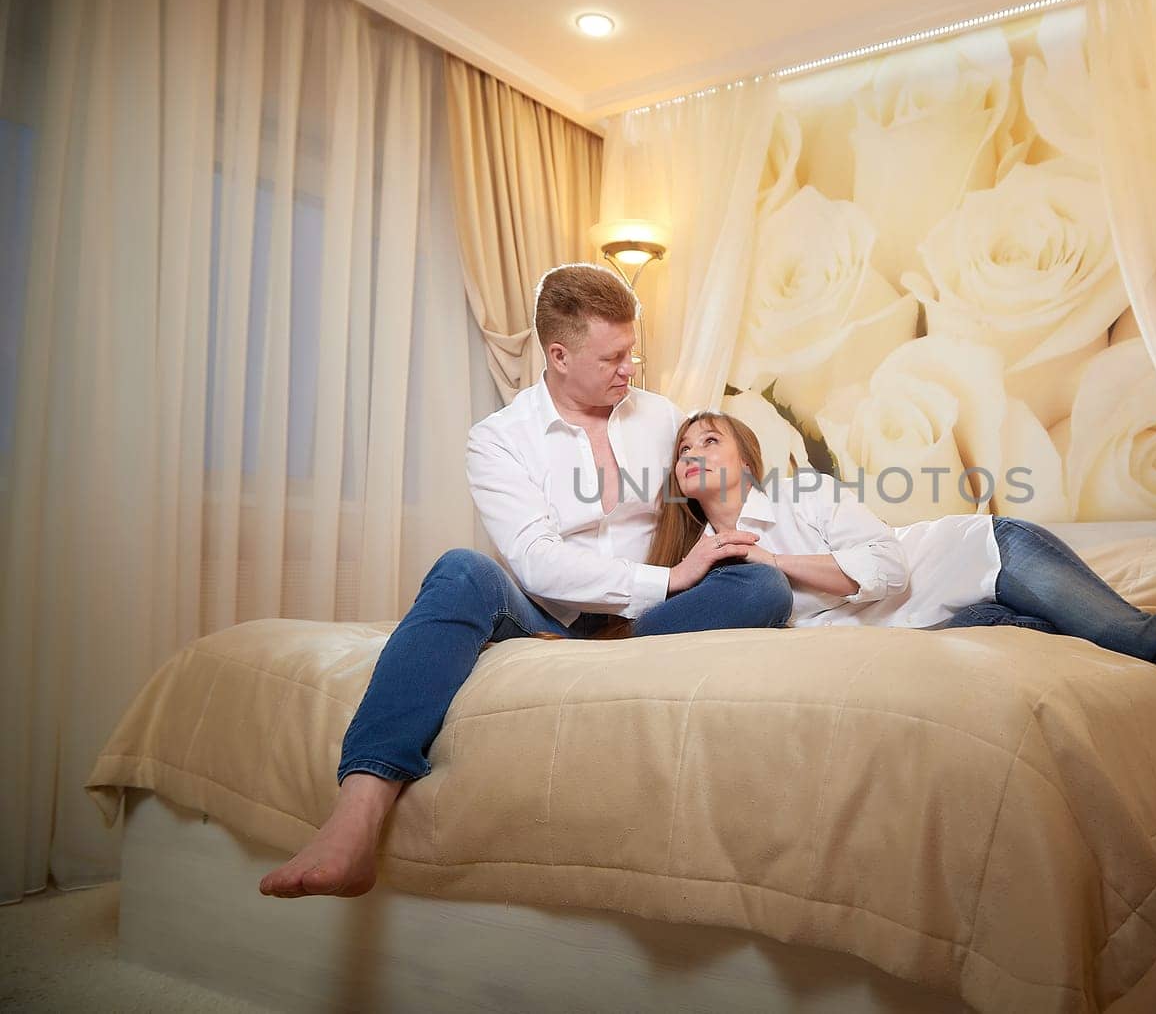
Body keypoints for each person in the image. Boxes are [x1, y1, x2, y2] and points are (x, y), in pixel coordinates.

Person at [646, 410, 1156, 851]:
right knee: (1104, 633)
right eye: (683, 448)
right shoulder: (706, 571)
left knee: (1148, 649)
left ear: (747, 460)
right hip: (955, 624)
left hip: (989, 558)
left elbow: (885, 572)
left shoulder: (803, 498)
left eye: (708, 438)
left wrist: (777, 558)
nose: (692, 452)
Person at [258, 266, 794, 899]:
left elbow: (720, 495)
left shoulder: (661, 417)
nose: (631, 370)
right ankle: (357, 814)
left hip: (645, 623)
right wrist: (668, 578)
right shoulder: (499, 440)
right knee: (463, 570)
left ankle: (618, 651)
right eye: (614, 357)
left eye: (634, 352)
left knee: (765, 590)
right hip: (549, 623)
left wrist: (779, 543)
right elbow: (538, 563)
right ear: (559, 355)